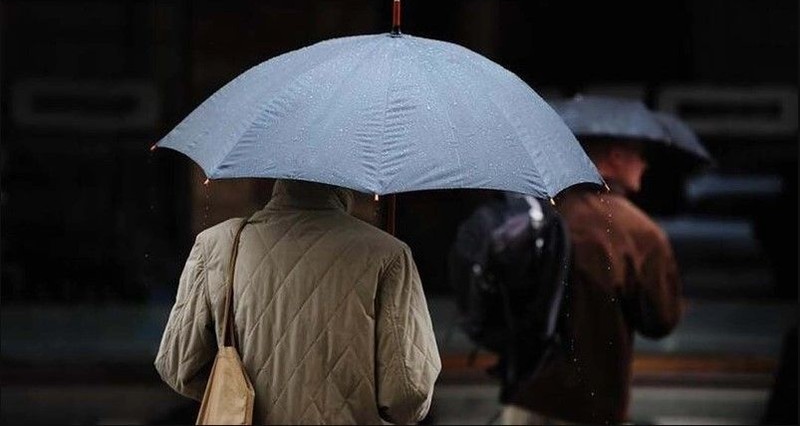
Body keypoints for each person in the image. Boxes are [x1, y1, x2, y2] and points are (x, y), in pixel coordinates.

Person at [155, 178, 441, 424]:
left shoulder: (216, 244)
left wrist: (242, 392)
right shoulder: (388, 255)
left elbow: (178, 365)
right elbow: (408, 392)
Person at [502, 138, 683, 425]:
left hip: (526, 395)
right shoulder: (639, 232)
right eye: (639, 155)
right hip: (591, 403)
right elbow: (661, 320)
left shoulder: (540, 215)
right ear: (616, 157)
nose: (645, 164)